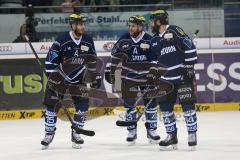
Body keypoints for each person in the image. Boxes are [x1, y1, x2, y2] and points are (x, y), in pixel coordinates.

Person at [41, 13, 101, 149]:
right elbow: (50, 60)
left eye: (83, 24)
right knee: (51, 107)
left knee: (83, 107)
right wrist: (51, 75)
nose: (83, 26)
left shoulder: (88, 40)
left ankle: (76, 134)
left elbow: (93, 60)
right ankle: (48, 134)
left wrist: (95, 76)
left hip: (78, 79)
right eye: (80, 24)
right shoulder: (61, 40)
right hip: (59, 79)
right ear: (73, 25)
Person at [106, 15, 160, 144]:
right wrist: (109, 69)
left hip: (146, 78)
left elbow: (154, 59)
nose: (131, 28)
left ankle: (151, 131)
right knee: (130, 106)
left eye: (133, 26)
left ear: (141, 27)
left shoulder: (149, 39)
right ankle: (131, 131)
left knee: (151, 106)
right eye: (129, 26)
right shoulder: (124, 38)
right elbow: (115, 55)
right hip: (128, 78)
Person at [149, 10, 198, 150]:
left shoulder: (175, 30)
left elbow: (189, 47)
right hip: (165, 80)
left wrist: (189, 67)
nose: (150, 24)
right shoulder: (154, 40)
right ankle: (171, 136)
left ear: (159, 21)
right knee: (165, 109)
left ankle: (192, 134)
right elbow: (154, 61)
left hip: (183, 77)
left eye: (152, 21)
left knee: (188, 107)